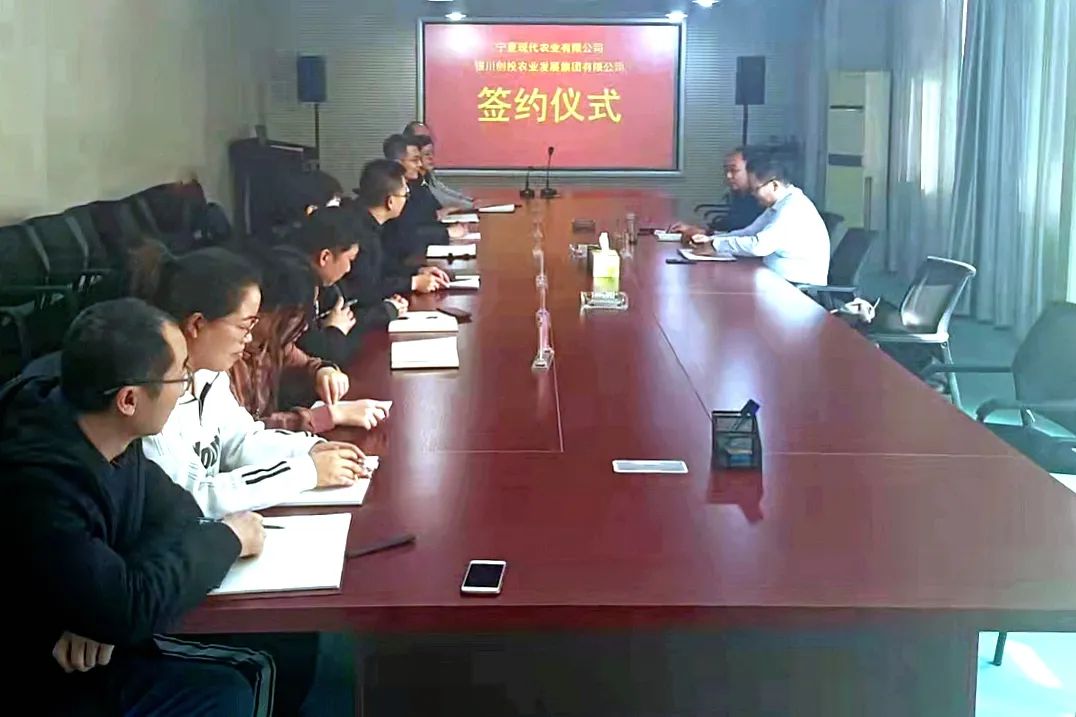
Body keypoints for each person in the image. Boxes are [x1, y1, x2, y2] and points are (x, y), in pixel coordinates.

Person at [3, 298, 271, 716]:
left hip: (90, 646)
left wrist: (100, 607)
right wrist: (229, 538)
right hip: (42, 678)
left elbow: (180, 514)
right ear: (129, 400)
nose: (186, 387)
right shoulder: (38, 485)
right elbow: (129, 605)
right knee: (240, 681)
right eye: (180, 376)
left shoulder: (112, 437)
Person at [130, 243, 366, 518]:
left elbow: (242, 440)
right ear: (197, 325)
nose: (250, 338)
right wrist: (306, 471)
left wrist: (309, 449)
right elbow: (193, 497)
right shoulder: (154, 398)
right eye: (244, 326)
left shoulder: (208, 376)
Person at [230, 245, 392, 434]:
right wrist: (329, 415)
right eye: (295, 315)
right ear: (262, 309)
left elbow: (306, 364)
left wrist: (324, 372)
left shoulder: (273, 345)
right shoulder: (226, 357)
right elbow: (243, 434)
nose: (304, 326)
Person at [673, 151, 830, 286]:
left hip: (797, 290)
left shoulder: (793, 208)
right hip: (775, 281)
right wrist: (711, 239)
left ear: (774, 186)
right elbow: (749, 232)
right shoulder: (780, 204)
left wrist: (716, 245)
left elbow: (759, 246)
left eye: (756, 189)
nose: (753, 194)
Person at [290, 205, 409, 362]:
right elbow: (329, 354)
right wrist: (335, 331)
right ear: (325, 257)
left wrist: (384, 311)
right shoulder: (293, 287)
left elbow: (347, 314)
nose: (348, 269)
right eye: (350, 260)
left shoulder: (318, 282)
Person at [342, 159, 452, 308]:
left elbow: (384, 265)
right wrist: (413, 283)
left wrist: (417, 271)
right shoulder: (358, 232)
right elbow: (365, 288)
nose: (407, 200)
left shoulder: (369, 220)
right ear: (390, 201)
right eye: (405, 195)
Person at [380, 133, 473, 260]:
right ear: (398, 164)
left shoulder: (417, 184)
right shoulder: (390, 192)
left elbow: (428, 216)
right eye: (414, 160)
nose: (420, 164)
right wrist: (447, 232)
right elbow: (405, 234)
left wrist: (443, 219)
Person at [409, 131, 476, 211]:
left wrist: (470, 199)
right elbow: (442, 199)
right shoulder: (415, 180)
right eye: (427, 154)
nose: (431, 157)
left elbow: (445, 190)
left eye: (432, 153)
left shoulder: (428, 175)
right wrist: (471, 205)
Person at [713, 147, 765, 232]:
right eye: (726, 170)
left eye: (734, 170)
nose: (728, 176)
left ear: (752, 170)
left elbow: (745, 230)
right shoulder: (738, 195)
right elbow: (730, 224)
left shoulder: (763, 199)